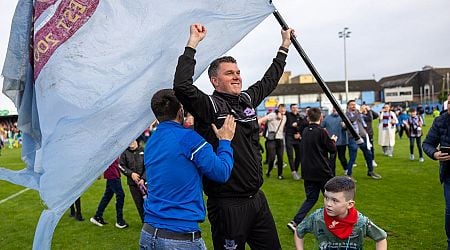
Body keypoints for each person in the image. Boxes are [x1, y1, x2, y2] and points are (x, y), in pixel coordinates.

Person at [173, 23, 293, 249]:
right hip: (227, 205)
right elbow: (181, 85)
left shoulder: (246, 100)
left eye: (238, 72)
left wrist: (284, 46)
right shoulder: (209, 106)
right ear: (214, 81)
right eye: (229, 73)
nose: (237, 77)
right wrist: (192, 43)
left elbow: (269, 81)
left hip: (257, 200)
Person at [139, 89, 236, 250]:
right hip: (179, 237)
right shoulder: (189, 138)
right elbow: (221, 172)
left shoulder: (151, 141)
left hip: (149, 234)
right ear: (180, 111)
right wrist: (225, 141)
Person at [294, 176, 388, 250]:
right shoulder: (317, 218)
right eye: (326, 198)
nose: (328, 204)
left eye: (335, 200)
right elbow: (299, 231)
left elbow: (381, 238)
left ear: (350, 204)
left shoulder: (361, 221)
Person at [287, 108, 337, 232]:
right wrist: (333, 141)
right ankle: (336, 223)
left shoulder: (305, 131)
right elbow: (332, 150)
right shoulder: (322, 132)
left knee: (311, 198)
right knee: (332, 198)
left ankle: (295, 222)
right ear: (321, 117)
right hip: (322, 171)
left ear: (308, 118)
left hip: (308, 172)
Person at [423, 93, 450, 249]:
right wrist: (435, 153)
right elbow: (427, 144)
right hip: (449, 175)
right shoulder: (440, 121)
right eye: (449, 102)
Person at [345, 100, 382, 180]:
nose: (353, 106)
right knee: (353, 157)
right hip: (353, 137)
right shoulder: (346, 114)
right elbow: (351, 120)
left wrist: (368, 110)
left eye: (354, 104)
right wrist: (359, 112)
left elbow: (369, 118)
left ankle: (370, 171)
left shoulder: (358, 113)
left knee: (368, 154)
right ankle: (349, 174)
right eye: (351, 105)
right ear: (348, 106)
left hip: (362, 136)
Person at [90, 158, 129, 229]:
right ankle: (119, 221)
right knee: (120, 195)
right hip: (112, 173)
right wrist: (98, 172)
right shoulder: (109, 147)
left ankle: (97, 216)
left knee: (107, 196)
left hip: (113, 172)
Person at [119, 139, 146, 222]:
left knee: (149, 203)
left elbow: (149, 165)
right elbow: (121, 166)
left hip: (146, 183)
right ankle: (145, 223)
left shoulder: (143, 151)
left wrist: (143, 178)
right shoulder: (125, 153)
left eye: (133, 140)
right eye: (129, 141)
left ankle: (154, 222)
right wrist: (131, 174)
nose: (131, 143)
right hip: (133, 184)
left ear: (137, 141)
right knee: (139, 204)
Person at [259, 104, 287, 179]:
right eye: (281, 109)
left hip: (280, 139)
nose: (283, 111)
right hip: (271, 140)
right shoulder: (272, 115)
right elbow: (262, 119)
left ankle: (280, 175)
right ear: (278, 109)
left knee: (280, 158)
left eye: (284, 109)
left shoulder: (285, 117)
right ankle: (269, 171)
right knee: (271, 158)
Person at [322, 107, 348, 175]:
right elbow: (321, 126)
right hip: (332, 143)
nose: (335, 110)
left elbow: (347, 128)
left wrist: (345, 126)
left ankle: (346, 170)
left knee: (342, 158)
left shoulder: (343, 117)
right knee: (332, 159)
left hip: (342, 142)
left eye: (336, 109)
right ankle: (332, 174)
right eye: (334, 108)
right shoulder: (327, 118)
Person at [284, 104, 306, 180]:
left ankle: (296, 170)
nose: (294, 109)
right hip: (289, 137)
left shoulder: (300, 116)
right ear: (290, 109)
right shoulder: (288, 114)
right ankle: (293, 172)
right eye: (293, 108)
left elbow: (304, 124)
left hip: (297, 137)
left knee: (299, 155)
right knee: (290, 155)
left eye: (296, 107)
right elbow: (279, 110)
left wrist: (299, 133)